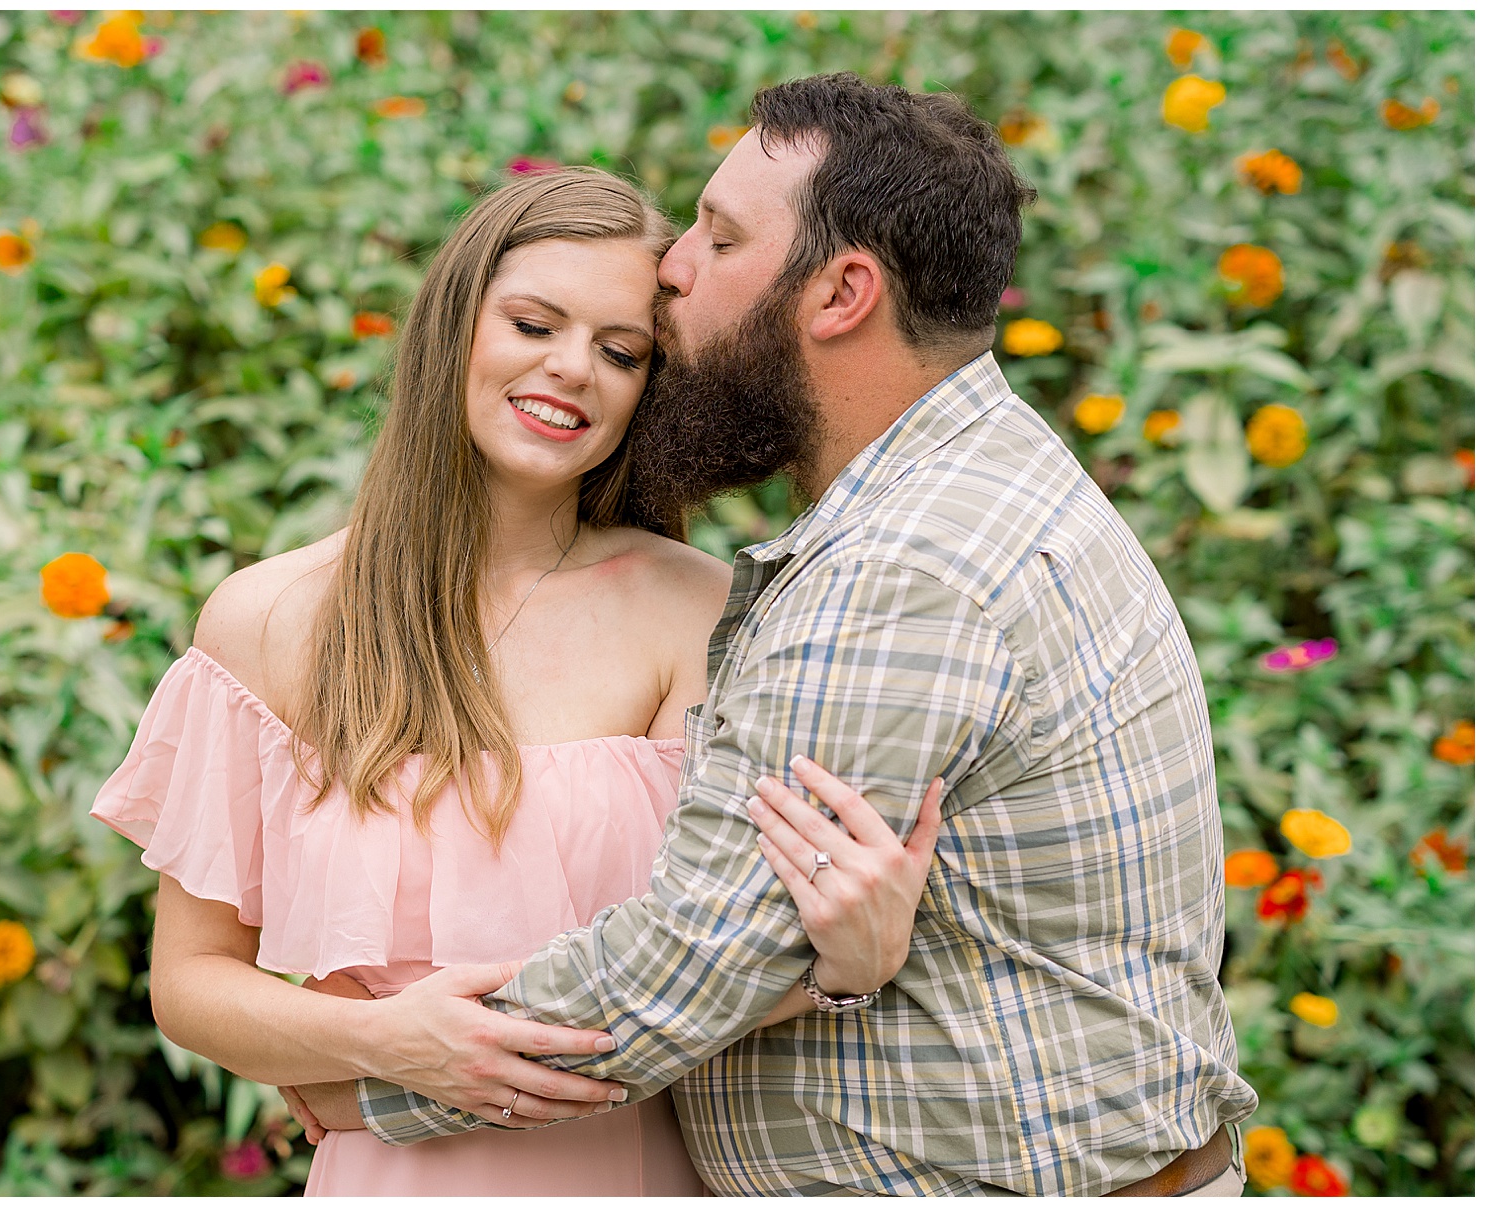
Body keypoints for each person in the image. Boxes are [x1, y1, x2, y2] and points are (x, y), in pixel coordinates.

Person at [314, 74, 1258, 1196]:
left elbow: (683, 971)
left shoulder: (900, 571)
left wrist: (359, 1082)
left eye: (718, 239)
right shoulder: (972, 480)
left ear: (841, 293)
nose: (672, 268)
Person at [89, 166, 944, 1195]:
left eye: (621, 350)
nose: (574, 369)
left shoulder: (700, 611)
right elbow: (189, 984)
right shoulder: (271, 618)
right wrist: (380, 1040)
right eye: (535, 324)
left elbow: (726, 960)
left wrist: (845, 970)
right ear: (457, 327)